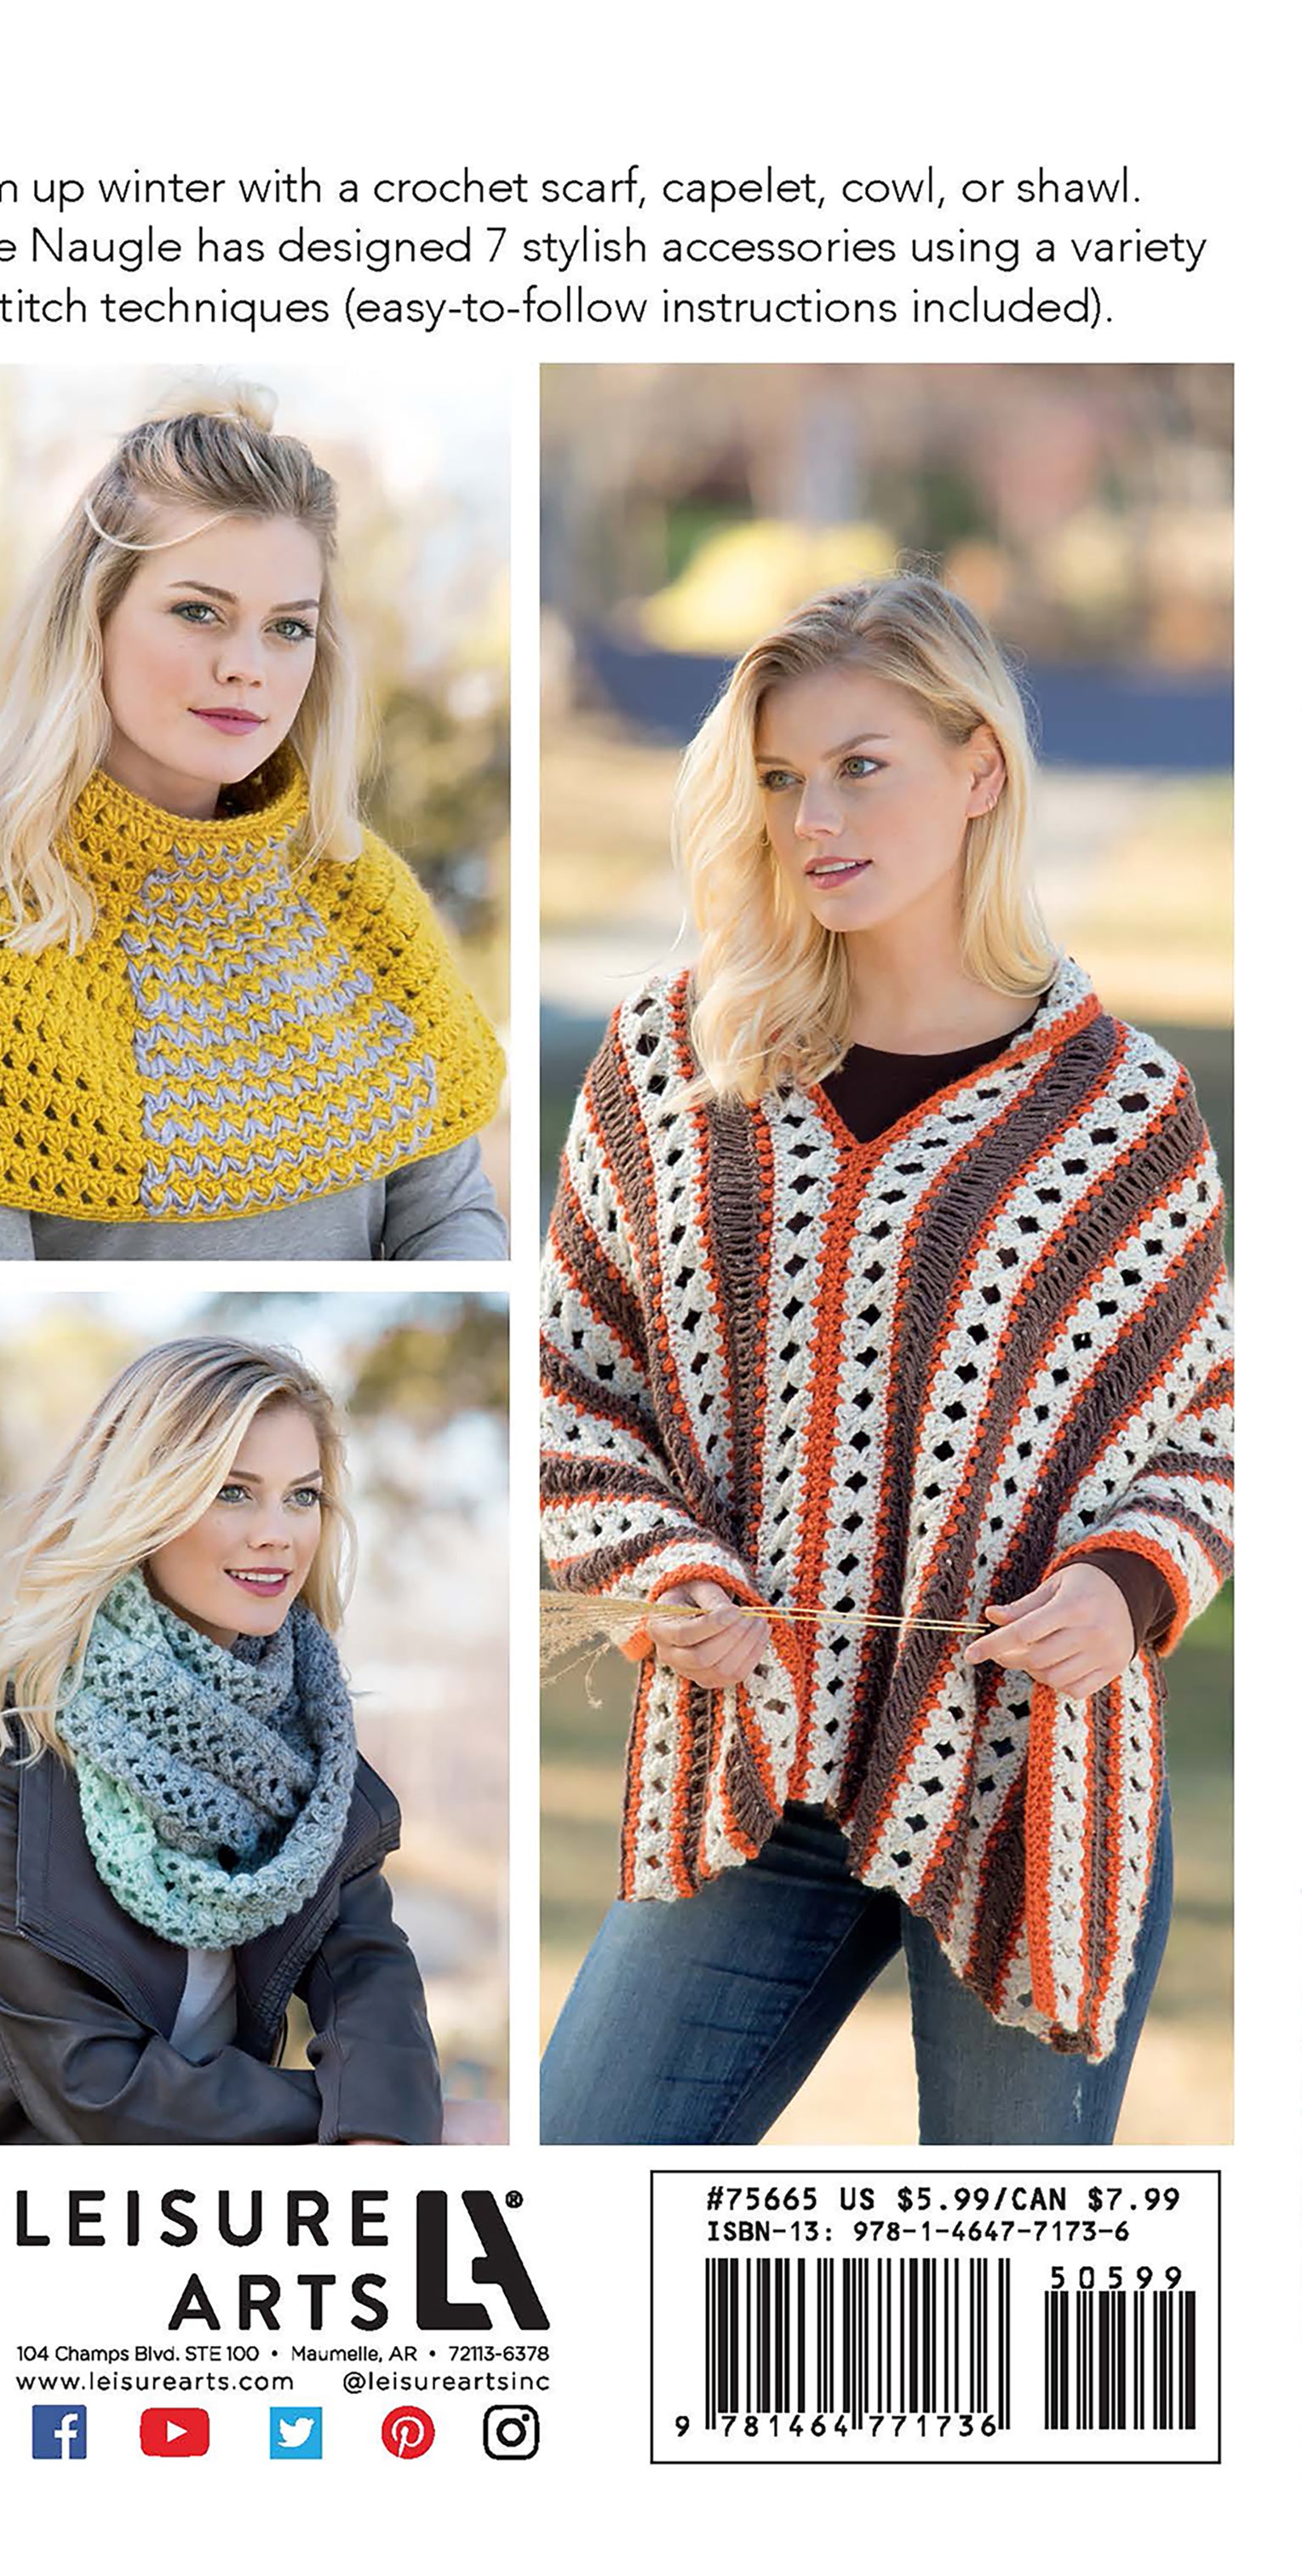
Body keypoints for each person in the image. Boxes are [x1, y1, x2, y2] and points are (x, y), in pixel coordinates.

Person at [539, 573, 1231, 2147]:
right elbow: (570, 1386)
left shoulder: (1120, 1112)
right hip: (747, 1765)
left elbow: (1211, 1429)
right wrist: (660, 1569)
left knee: (1000, 2273)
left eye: (862, 766)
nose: (814, 819)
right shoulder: (669, 1062)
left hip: (1029, 1779)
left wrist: (1124, 1587)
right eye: (782, 777)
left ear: (979, 768)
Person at [0, 384, 507, 1260]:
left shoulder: (364, 902)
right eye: (197, 612)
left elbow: (449, 1215)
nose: (246, 666)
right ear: (91, 618)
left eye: (288, 628)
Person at [0, 1338, 445, 2144]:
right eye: (232, 1491)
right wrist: (360, 2118)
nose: (277, 1534)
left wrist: (384, 2129)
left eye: (302, 1497)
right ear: (145, 1504)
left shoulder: (300, 1744)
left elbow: (366, 1968)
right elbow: (93, 2085)